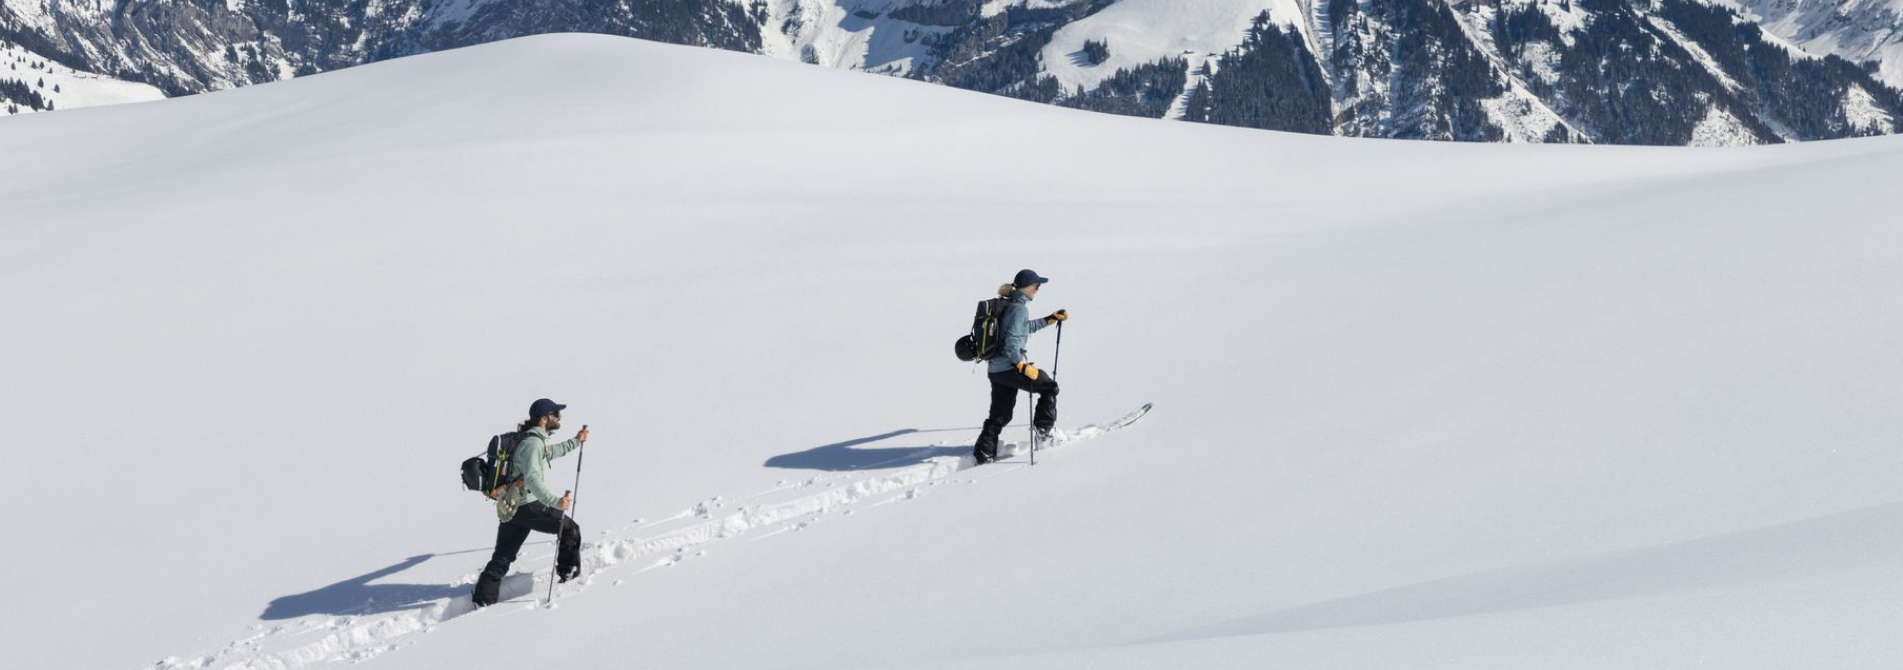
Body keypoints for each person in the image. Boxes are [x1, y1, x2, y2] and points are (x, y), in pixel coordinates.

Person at [472, 398, 589, 607]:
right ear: (544, 419)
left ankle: (482, 599)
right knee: (569, 529)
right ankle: (568, 577)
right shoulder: (533, 443)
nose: (559, 417)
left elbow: (550, 453)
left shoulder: (531, 440)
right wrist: (556, 502)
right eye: (555, 414)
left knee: (503, 556)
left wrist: (576, 441)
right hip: (527, 505)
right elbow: (533, 479)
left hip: (513, 506)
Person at [973, 269, 1068, 464]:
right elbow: (1012, 343)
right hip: (1009, 368)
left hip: (996, 370)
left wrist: (1049, 319)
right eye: (1037, 286)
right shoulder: (1019, 309)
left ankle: (984, 452)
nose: (1038, 289)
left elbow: (1023, 328)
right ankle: (1044, 436)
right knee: (1049, 387)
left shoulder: (1012, 304)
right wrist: (1021, 366)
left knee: (1001, 414)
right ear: (1028, 288)